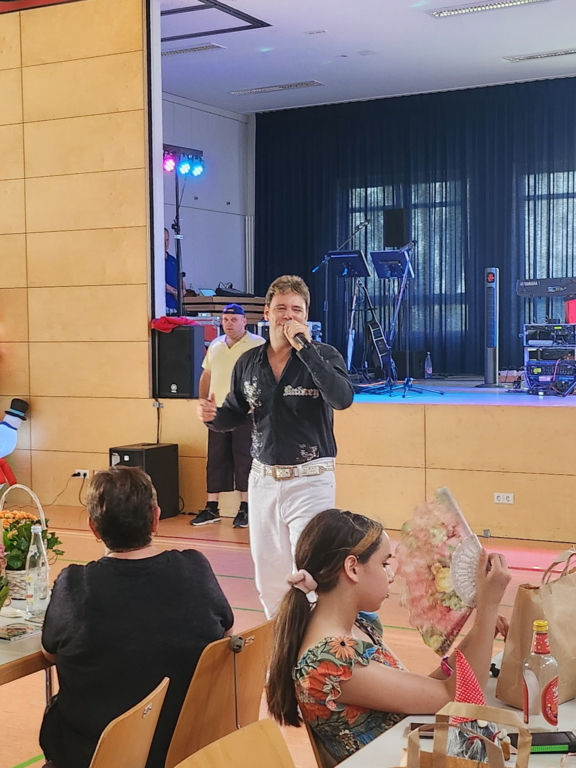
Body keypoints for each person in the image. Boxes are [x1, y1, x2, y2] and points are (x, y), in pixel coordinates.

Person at [267, 509, 511, 763]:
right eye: (384, 564)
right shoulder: (331, 661)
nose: (391, 576)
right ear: (352, 568)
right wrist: (488, 606)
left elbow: (421, 693)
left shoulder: (356, 626)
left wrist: (480, 633)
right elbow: (457, 699)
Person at [39, 467, 233, 768]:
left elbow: (49, 653)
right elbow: (226, 636)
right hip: (186, 752)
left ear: (93, 528)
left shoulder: (75, 586)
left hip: (94, 756)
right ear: (155, 518)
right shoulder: (195, 569)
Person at [197, 275, 354, 618]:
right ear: (266, 313)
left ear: (305, 315)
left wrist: (306, 350)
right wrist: (212, 417)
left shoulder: (324, 355)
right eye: (281, 308)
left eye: (296, 309)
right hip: (263, 480)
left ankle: (315, 644)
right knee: (269, 576)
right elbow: (235, 412)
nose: (288, 316)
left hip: (311, 478)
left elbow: (342, 398)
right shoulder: (249, 362)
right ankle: (279, 642)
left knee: (312, 570)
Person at [193, 303, 265, 529]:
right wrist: (202, 400)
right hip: (218, 412)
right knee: (216, 458)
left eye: (234, 320)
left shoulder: (258, 344)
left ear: (244, 321)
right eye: (225, 320)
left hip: (245, 412)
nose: (229, 324)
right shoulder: (215, 344)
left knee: (244, 458)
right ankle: (211, 507)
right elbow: (206, 374)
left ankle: (246, 508)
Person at [165, 227, 186, 314]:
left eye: (167, 240)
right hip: (164, 307)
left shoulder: (173, 260)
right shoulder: (155, 261)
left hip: (176, 308)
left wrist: (183, 290)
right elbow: (157, 282)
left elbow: (180, 279)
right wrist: (174, 292)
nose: (165, 243)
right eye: (163, 240)